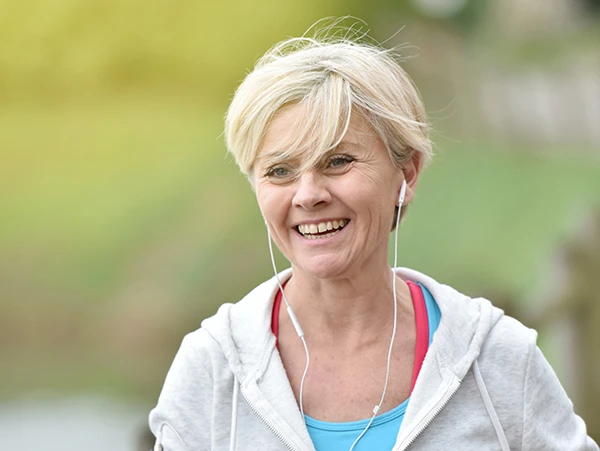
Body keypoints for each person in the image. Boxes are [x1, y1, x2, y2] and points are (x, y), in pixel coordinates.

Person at [149, 23, 599, 451]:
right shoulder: (212, 366)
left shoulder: (495, 357)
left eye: (338, 161)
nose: (308, 195)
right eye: (280, 171)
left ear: (408, 172)